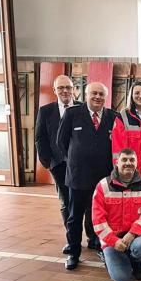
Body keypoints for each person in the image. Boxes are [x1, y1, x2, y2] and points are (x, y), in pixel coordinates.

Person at [56, 82, 118, 270]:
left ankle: (102, 249)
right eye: (94, 93)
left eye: (101, 94)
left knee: (101, 217)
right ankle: (74, 253)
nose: (97, 97)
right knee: (74, 217)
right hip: (78, 177)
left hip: (102, 179)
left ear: (105, 98)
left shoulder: (112, 117)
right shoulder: (72, 114)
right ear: (85, 94)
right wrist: (76, 160)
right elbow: (61, 142)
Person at [34, 75, 93, 255]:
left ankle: (92, 238)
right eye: (60, 88)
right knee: (66, 203)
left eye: (68, 87)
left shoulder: (84, 108)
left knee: (89, 202)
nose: (65, 91)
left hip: (82, 166)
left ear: (74, 89)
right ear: (55, 91)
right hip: (59, 166)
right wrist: (49, 163)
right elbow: (40, 138)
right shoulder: (45, 111)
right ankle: (72, 240)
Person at [91, 148, 141, 281]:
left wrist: (131, 234)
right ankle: (108, 256)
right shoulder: (103, 186)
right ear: (117, 162)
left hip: (136, 236)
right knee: (122, 280)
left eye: (132, 160)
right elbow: (98, 221)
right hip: (111, 238)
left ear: (137, 163)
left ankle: (135, 261)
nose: (128, 163)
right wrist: (114, 241)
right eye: (124, 160)